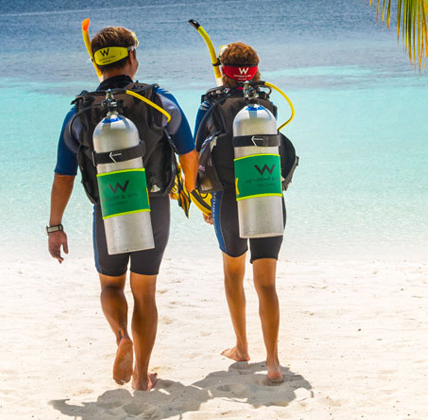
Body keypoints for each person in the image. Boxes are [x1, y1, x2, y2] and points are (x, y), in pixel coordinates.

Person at [47, 26, 198, 391]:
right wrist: (188, 191)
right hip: (153, 205)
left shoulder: (80, 113)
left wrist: (55, 227)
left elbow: (63, 176)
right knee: (144, 292)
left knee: (111, 286)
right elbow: (188, 154)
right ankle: (142, 376)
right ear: (132, 56)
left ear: (97, 64)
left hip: (109, 208)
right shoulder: (158, 100)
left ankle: (121, 337)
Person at [193, 42, 289, 383]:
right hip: (267, 195)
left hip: (229, 199)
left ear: (223, 70)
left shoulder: (210, 104)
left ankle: (242, 347)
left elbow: (196, 154)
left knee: (234, 274)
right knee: (267, 283)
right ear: (256, 69)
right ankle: (273, 362)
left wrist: (203, 202)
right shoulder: (266, 104)